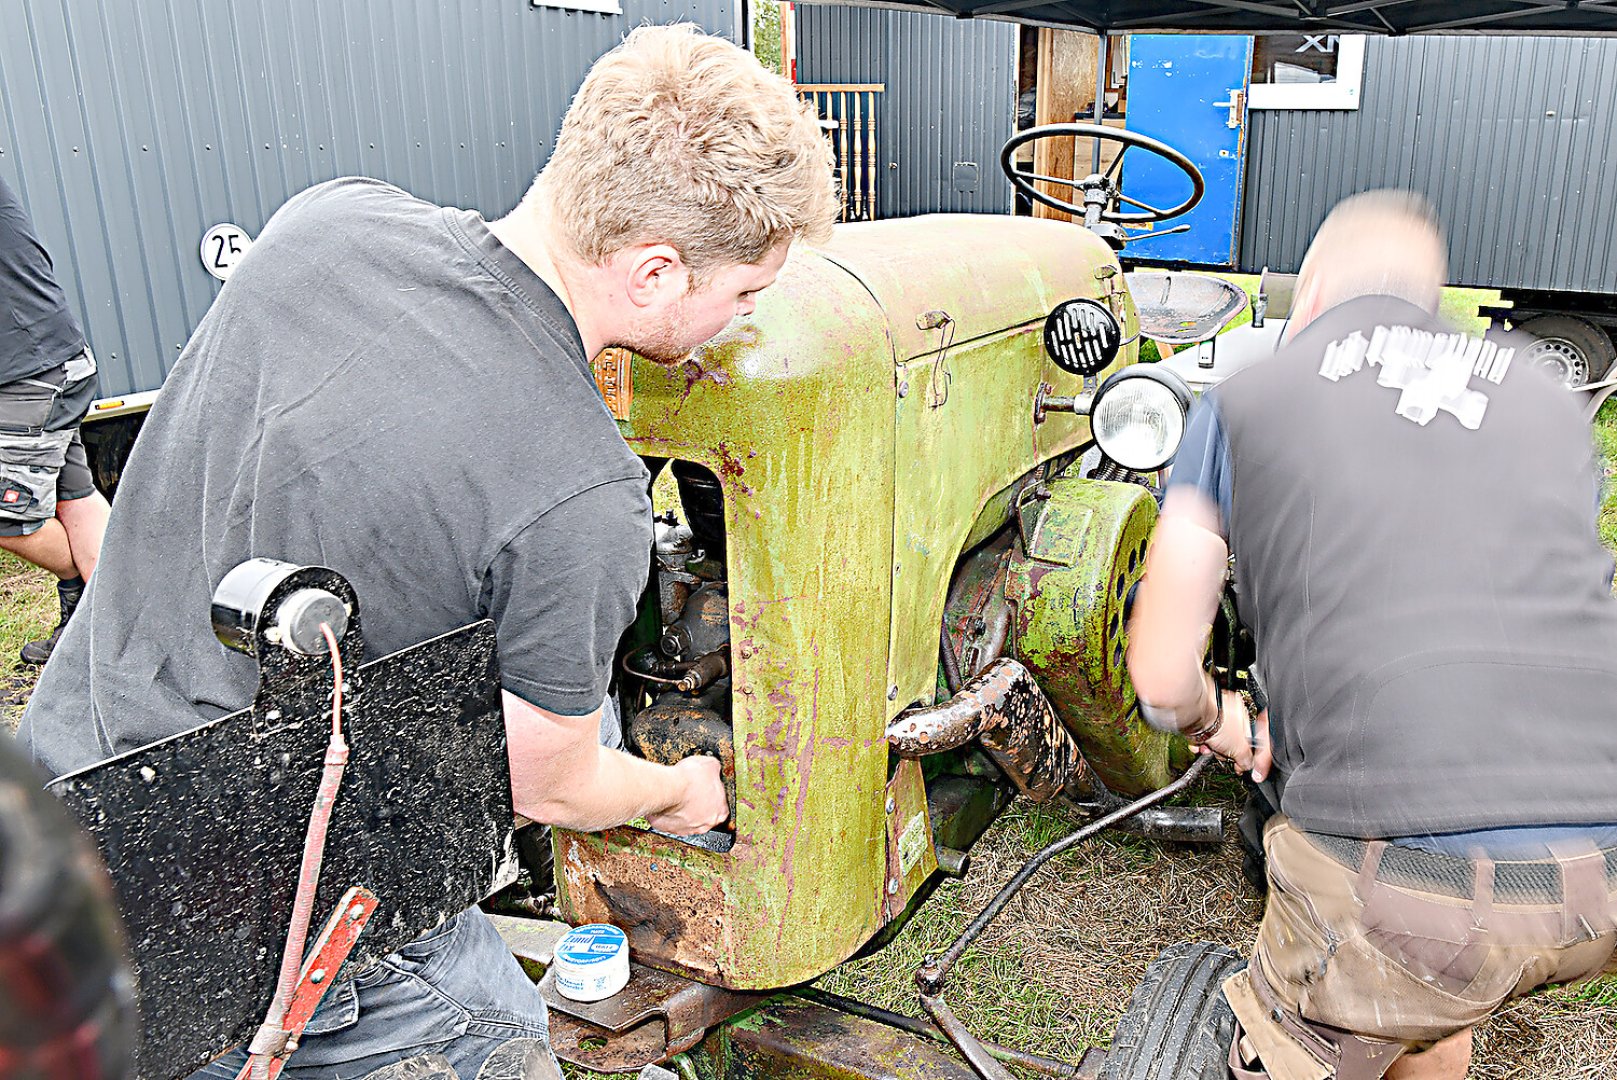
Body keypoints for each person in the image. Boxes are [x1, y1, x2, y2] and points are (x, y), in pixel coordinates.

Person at [17, 24, 836, 1080]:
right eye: (744, 294)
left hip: (65, 774)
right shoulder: (580, 493)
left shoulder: (325, 222)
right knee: (503, 1052)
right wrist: (680, 795)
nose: (739, 320)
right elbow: (550, 783)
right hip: (253, 924)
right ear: (655, 269)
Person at [1127, 191, 1617, 1080]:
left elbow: (1163, 679)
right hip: (1602, 865)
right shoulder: (1548, 400)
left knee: (1405, 941)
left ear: (1305, 296)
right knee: (1430, 982)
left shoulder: (1253, 397)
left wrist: (1227, 724)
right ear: (1430, 299)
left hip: (1412, 884)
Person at [0, 174, 112, 663]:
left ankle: (102, 608)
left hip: (32, 373)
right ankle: (101, 620)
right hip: (42, 364)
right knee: (74, 497)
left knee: (7, 517)